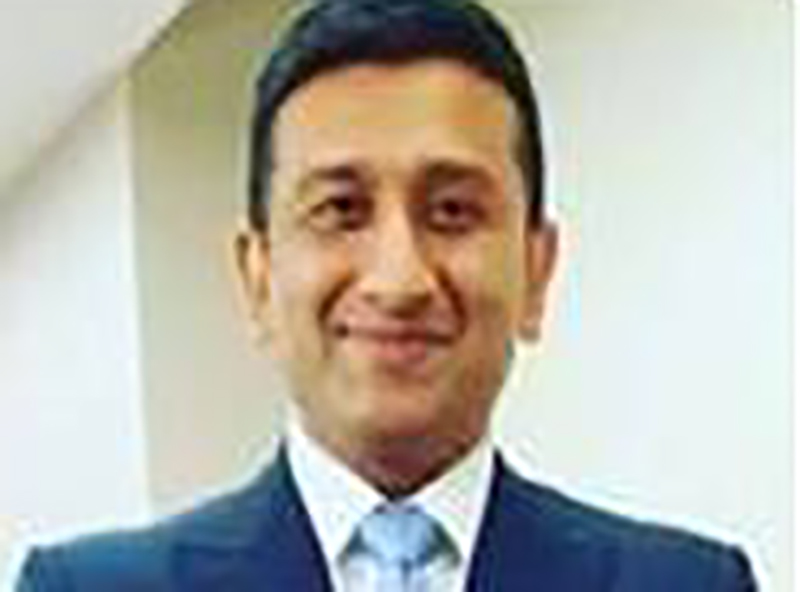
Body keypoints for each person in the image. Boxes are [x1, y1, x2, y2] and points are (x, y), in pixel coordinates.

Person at [16, 0, 758, 590]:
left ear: (537, 270)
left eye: (453, 211)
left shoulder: (688, 585)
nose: (400, 279)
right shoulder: (87, 589)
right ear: (258, 276)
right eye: (342, 210)